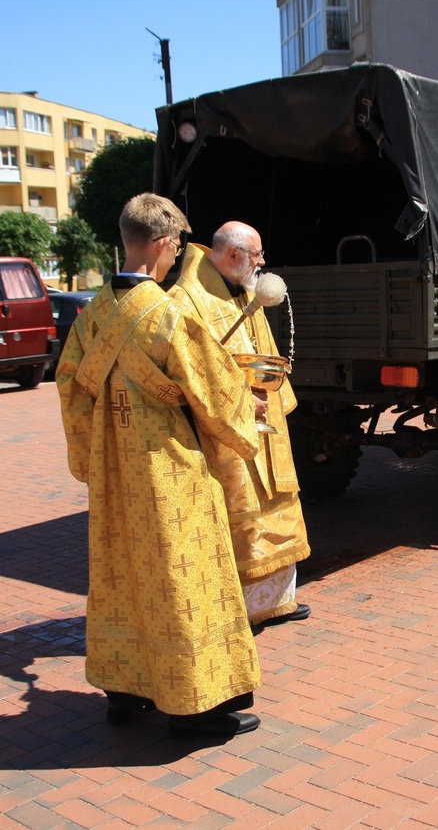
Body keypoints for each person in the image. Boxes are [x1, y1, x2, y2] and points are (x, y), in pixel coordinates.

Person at [55, 193, 265, 739]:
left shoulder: (91, 315)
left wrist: (89, 458)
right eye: (177, 248)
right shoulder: (170, 314)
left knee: (121, 574)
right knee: (186, 574)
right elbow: (217, 393)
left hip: (114, 475)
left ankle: (126, 693)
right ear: (168, 243)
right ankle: (194, 707)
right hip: (169, 471)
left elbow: (71, 391)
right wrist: (251, 408)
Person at [169, 222, 313, 630]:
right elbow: (192, 370)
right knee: (243, 514)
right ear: (233, 255)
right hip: (228, 430)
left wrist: (273, 399)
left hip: (264, 418)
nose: (263, 262)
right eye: (257, 254)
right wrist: (240, 400)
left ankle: (278, 601)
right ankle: (244, 609)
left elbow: (261, 351)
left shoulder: (244, 288)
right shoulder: (189, 299)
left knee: (278, 505)